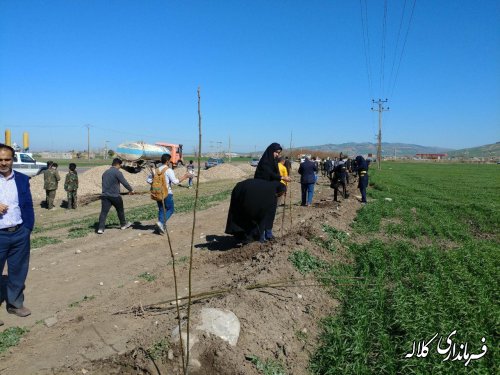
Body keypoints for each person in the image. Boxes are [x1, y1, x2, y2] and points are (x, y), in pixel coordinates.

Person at [0, 143, 35, 326]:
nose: (3, 163)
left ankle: (14, 303)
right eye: (0, 159)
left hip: (19, 233)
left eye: (7, 159)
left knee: (18, 270)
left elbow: (28, 204)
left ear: (12, 160)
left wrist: (28, 228)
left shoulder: (21, 179)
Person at [225, 179, 286, 244]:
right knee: (253, 215)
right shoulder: (270, 193)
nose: (279, 196)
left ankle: (242, 235)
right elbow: (264, 216)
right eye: (281, 194)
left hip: (240, 188)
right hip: (246, 192)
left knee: (240, 212)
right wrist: (261, 237)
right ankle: (250, 238)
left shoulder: (269, 185)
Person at [254, 143, 291, 240]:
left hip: (272, 191)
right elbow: (269, 173)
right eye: (276, 152)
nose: (277, 155)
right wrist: (282, 177)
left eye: (279, 153)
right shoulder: (264, 162)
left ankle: (269, 233)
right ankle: (261, 235)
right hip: (262, 191)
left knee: (271, 212)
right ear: (271, 151)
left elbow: (275, 175)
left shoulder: (274, 162)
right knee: (263, 213)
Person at [147, 153, 190, 234]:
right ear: (167, 161)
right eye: (169, 161)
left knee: (161, 209)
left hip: (157, 192)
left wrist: (156, 185)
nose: (170, 162)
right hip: (167, 193)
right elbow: (175, 182)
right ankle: (161, 223)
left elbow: (148, 180)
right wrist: (185, 177)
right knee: (170, 209)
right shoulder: (169, 170)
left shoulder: (156, 170)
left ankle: (160, 226)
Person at [97, 158, 135, 234]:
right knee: (120, 210)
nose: (120, 167)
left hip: (105, 196)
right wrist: (131, 190)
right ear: (118, 164)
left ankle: (100, 228)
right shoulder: (117, 172)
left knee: (104, 212)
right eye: (120, 165)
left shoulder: (105, 172)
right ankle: (123, 225)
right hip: (115, 196)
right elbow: (124, 182)